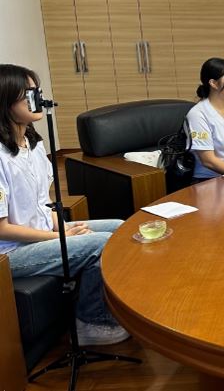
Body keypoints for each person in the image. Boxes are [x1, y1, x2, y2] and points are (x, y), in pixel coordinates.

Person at [0, 64, 128, 345]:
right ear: (6, 100)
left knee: (120, 228)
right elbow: (3, 229)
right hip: (11, 253)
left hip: (41, 232)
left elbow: (43, 203)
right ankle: (90, 322)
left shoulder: (32, 144)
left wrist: (63, 227)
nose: (38, 99)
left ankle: (115, 306)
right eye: (28, 94)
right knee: (101, 243)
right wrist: (59, 237)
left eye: (37, 92)